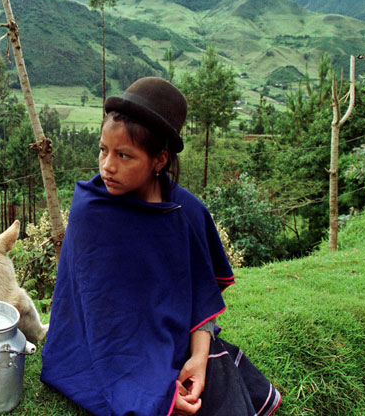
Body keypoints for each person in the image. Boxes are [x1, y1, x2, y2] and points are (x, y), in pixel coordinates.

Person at [40, 77, 280, 416]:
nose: (108, 166)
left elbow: (200, 299)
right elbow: (101, 319)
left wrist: (197, 359)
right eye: (102, 150)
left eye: (124, 155)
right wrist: (155, 391)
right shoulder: (91, 210)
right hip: (96, 349)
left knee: (214, 373)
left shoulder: (187, 212)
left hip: (170, 342)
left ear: (159, 160)